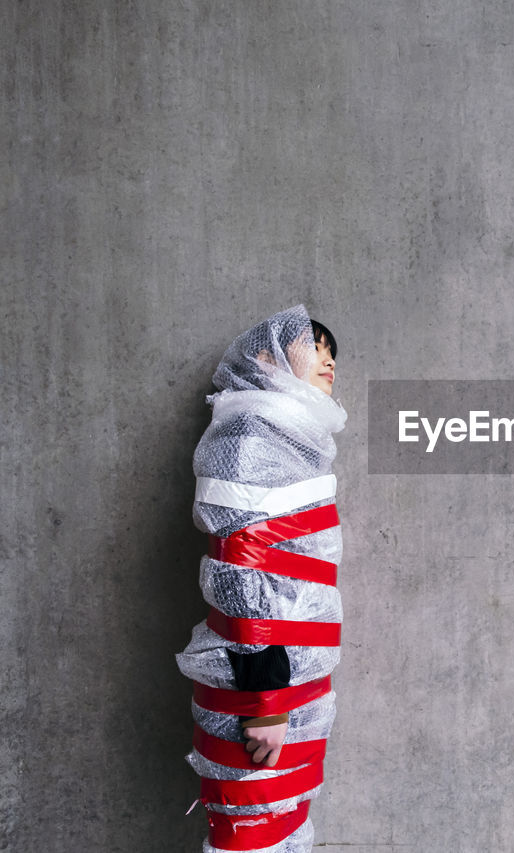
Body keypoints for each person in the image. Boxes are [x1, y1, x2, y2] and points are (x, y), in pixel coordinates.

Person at [176, 305, 347, 853]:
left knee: (283, 828)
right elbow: (240, 572)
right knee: (252, 833)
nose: (328, 360)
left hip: (292, 680)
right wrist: (266, 701)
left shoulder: (292, 436)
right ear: (269, 358)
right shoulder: (252, 432)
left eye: (332, 354)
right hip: (258, 685)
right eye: (313, 345)